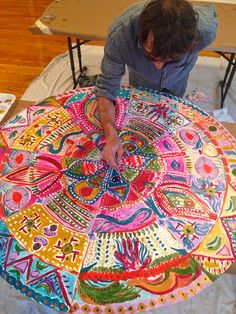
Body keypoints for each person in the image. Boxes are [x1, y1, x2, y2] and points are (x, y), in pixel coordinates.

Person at [95, 0, 218, 169]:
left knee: (170, 111)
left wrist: (177, 65)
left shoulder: (205, 32)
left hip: (178, 78)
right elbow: (106, 88)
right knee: (142, 112)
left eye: (170, 59)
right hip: (140, 79)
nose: (158, 67)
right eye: (150, 55)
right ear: (141, 34)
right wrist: (110, 133)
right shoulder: (121, 36)